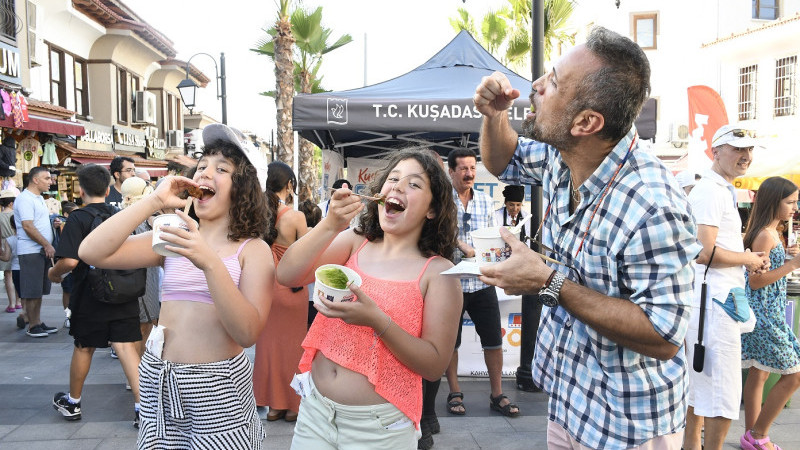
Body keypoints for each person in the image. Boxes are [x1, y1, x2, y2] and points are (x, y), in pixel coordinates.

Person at [473, 26, 702, 448]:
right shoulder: (566, 155)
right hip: (569, 402)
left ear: (586, 122)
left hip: (626, 424)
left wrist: (547, 281)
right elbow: (504, 160)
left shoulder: (654, 204)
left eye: (553, 83)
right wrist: (494, 116)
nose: (535, 88)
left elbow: (665, 336)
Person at [78, 123, 272, 449]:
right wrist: (153, 200)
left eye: (221, 168)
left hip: (217, 387)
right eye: (202, 166)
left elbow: (247, 333)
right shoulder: (172, 237)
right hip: (160, 377)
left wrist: (209, 262)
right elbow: (91, 251)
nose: (206, 173)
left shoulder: (253, 250)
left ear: (244, 188)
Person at [277, 149, 462, 449]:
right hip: (315, 413)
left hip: (381, 429)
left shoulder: (438, 272)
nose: (398, 187)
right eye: (393, 178)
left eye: (414, 184)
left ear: (432, 210)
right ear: (379, 192)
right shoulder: (355, 241)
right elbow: (288, 274)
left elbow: (433, 365)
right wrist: (329, 225)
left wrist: (376, 320)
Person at [683, 124, 771, 450]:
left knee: (702, 388)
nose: (745, 156)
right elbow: (704, 251)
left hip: (713, 302)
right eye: (737, 148)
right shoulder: (711, 190)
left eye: (748, 150)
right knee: (722, 393)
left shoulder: (718, 189)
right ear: (715, 152)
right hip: (714, 304)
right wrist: (746, 258)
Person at [48, 164, 143, 426]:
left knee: (84, 346)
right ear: (108, 187)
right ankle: (141, 409)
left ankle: (73, 402)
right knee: (126, 347)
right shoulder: (120, 215)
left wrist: (52, 274)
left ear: (81, 190)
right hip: (123, 291)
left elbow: (68, 262)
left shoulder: (78, 218)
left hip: (90, 294)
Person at [444, 147, 519, 418]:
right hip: (452, 284)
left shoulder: (487, 201)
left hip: (481, 282)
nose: (469, 173)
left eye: (472, 168)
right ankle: (454, 391)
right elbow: (435, 232)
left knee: (493, 341)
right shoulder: (441, 200)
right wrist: (461, 245)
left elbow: (491, 237)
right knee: (451, 342)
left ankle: (497, 394)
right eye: (463, 168)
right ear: (451, 171)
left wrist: (502, 250)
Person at [739, 176, 800, 450]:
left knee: (759, 372)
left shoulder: (771, 232)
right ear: (774, 202)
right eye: (790, 202)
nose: (794, 208)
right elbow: (755, 280)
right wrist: (793, 264)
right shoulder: (766, 233)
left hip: (767, 312)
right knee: (794, 375)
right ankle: (758, 433)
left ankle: (752, 435)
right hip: (765, 314)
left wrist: (786, 257)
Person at [252, 161, 310, 422]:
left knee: (268, 346)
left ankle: (273, 406)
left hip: (265, 289)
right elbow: (309, 254)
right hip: (292, 289)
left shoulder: (256, 213)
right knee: (293, 348)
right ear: (289, 185)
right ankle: (293, 406)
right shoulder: (295, 217)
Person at [14, 166, 57, 337]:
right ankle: (32, 325)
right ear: (35, 180)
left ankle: (37, 321)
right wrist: (47, 244)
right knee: (32, 291)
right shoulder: (25, 198)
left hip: (40, 250)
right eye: (47, 178)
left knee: (39, 290)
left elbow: (36, 223)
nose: (50, 181)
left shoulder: (38, 198)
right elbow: (27, 226)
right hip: (31, 250)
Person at [119, 176, 158, 358]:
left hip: (146, 279)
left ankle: (138, 371)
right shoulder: (129, 217)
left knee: (147, 324)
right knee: (141, 326)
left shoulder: (146, 217)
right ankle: (136, 373)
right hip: (135, 280)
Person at [59, 202, 78, 328]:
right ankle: (68, 316)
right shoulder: (62, 225)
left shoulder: (76, 224)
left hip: (78, 264)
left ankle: (74, 315)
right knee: (67, 291)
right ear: (65, 214)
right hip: (67, 264)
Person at [0, 189, 19, 313]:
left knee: (8, 275)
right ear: (11, 203)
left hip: (4, 244)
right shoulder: (17, 215)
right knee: (18, 274)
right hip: (17, 243)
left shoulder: (0, 216)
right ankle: (19, 301)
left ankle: (11, 304)